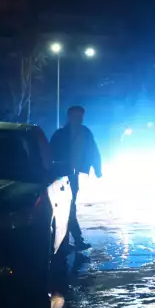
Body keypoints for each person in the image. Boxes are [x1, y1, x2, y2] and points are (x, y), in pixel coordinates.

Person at [50, 105, 103, 251]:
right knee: (69, 208)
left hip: (73, 176)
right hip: (61, 176)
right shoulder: (61, 135)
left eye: (80, 116)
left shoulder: (85, 133)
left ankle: (68, 241)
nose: (79, 119)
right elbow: (51, 153)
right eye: (76, 116)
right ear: (70, 117)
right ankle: (73, 241)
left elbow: (93, 150)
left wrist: (97, 168)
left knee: (69, 207)